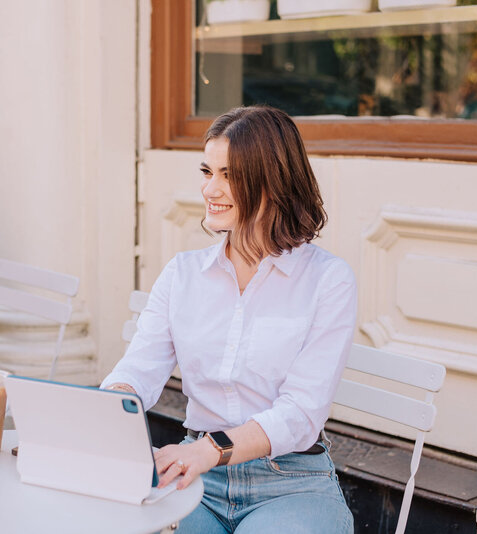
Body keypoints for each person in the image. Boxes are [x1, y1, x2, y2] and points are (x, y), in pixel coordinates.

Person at [100, 106, 356, 533]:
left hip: (290, 482)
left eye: (230, 175)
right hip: (194, 475)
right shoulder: (183, 274)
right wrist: (111, 404)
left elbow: (300, 413)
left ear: (273, 182)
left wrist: (207, 451)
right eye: (207, 171)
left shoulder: (327, 280)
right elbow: (138, 370)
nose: (210, 189)